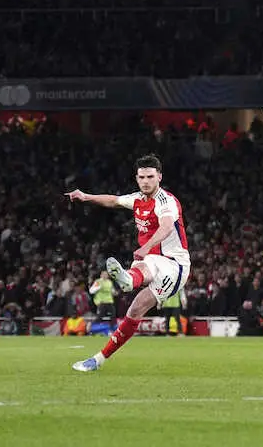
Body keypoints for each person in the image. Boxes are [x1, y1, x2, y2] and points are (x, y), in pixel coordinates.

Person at [66, 154, 192, 372]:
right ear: (136, 178)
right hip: (151, 261)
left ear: (159, 177)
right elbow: (113, 200)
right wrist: (86, 197)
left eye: (150, 177)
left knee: (145, 267)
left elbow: (166, 227)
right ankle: (98, 360)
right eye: (142, 177)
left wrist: (146, 247)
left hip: (175, 265)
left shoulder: (166, 202)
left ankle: (129, 279)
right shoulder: (137, 199)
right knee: (134, 311)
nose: (146, 181)